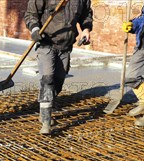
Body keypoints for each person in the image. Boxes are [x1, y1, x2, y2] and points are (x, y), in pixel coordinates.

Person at [24, 0, 93, 134]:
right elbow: (31, 14)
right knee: (47, 79)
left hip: (66, 46)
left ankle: (45, 107)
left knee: (58, 81)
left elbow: (85, 15)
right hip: (46, 43)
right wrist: (35, 29)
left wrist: (85, 30)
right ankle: (45, 121)